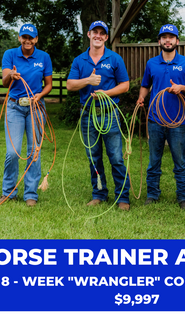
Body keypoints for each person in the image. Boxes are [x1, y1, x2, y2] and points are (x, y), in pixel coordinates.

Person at [66, 21, 130, 211]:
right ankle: (99, 193)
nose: (98, 36)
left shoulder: (115, 58)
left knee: (116, 157)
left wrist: (105, 92)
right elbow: (70, 85)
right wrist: (88, 81)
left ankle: (122, 197)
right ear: (89, 34)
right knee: (93, 157)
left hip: (109, 114)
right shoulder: (79, 60)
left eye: (102, 33)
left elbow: (125, 85)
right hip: (87, 115)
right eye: (95, 32)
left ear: (106, 38)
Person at [136, 24, 185, 210]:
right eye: (164, 37)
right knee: (154, 160)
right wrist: (141, 97)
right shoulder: (151, 63)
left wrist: (182, 88)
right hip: (155, 119)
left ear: (177, 41)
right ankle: (152, 195)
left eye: (171, 37)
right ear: (159, 41)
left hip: (177, 122)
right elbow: (146, 85)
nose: (167, 40)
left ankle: (183, 196)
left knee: (180, 161)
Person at [0, 23, 53, 207]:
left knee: (34, 151)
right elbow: (4, 83)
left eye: (31, 38)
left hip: (36, 107)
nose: (27, 41)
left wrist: (40, 95)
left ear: (36, 39)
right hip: (14, 107)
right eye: (24, 37)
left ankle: (30, 195)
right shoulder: (10, 54)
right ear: (20, 38)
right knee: (13, 152)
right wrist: (10, 75)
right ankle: (8, 193)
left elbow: (49, 85)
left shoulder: (44, 57)